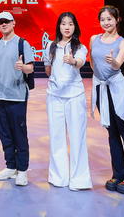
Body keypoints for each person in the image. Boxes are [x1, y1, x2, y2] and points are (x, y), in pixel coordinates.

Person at [89, 6, 124, 194]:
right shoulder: (94, 39)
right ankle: (118, 174)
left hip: (116, 89)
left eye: (109, 19)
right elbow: (92, 63)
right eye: (103, 19)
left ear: (117, 20)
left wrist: (113, 62)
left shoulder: (123, 43)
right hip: (101, 88)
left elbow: (118, 64)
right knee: (111, 133)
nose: (106, 22)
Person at [43, 12, 92, 191]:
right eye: (63, 23)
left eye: (70, 24)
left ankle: (79, 180)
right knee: (56, 136)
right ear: (59, 26)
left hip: (74, 95)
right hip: (54, 96)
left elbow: (80, 62)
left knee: (77, 136)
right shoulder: (50, 46)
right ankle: (58, 177)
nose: (67, 27)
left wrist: (72, 61)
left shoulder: (80, 47)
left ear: (75, 27)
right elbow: (48, 70)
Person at [0, 12, 34, 187]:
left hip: (17, 97)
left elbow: (30, 68)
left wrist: (23, 67)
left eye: (7, 21)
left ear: (14, 23)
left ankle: (22, 170)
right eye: (0, 22)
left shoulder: (22, 43)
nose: (4, 24)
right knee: (4, 133)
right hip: (0, 97)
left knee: (19, 135)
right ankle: (10, 167)